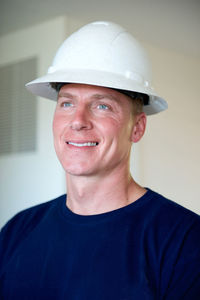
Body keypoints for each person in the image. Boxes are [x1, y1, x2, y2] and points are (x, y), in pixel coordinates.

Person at [0, 21, 200, 300]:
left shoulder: (185, 243)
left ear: (138, 127)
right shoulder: (17, 231)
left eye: (102, 105)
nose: (78, 121)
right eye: (67, 103)